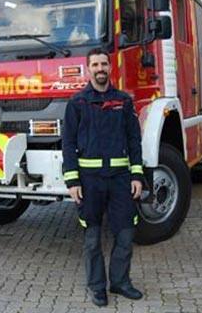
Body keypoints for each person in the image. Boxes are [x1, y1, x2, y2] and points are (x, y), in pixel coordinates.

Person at [62, 47, 144, 307]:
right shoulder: (77, 103)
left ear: (110, 68)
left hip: (120, 179)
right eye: (95, 65)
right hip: (89, 182)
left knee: (125, 234)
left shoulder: (123, 100)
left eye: (103, 64)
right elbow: (68, 143)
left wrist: (137, 174)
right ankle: (97, 287)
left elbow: (134, 140)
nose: (100, 69)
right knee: (92, 238)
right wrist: (72, 181)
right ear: (89, 69)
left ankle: (120, 282)